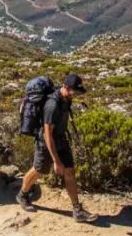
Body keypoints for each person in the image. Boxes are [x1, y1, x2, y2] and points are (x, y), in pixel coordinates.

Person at [16, 74, 98, 223]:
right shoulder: (52, 105)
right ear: (65, 87)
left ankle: (77, 210)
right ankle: (22, 194)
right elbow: (48, 135)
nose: (77, 94)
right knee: (38, 170)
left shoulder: (66, 99)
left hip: (61, 140)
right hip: (46, 143)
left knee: (70, 172)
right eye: (75, 91)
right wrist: (56, 160)